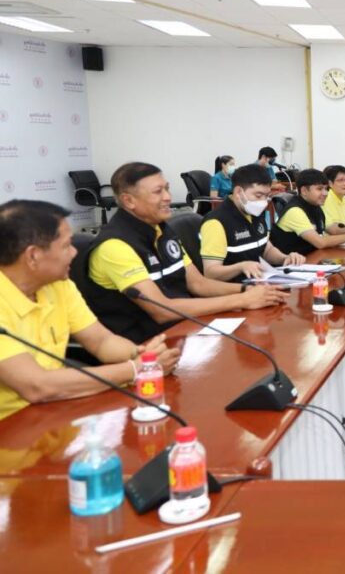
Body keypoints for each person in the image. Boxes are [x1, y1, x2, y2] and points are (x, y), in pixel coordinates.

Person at [0, 200, 180, 421]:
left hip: (55, 412)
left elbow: (102, 341)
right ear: (33, 256)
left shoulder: (58, 285)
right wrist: (135, 369)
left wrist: (144, 356)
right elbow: (37, 386)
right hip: (11, 426)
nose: (74, 252)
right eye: (66, 246)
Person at [81, 162, 288, 343]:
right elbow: (162, 310)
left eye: (167, 189)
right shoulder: (114, 246)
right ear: (128, 201)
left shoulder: (162, 231)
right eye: (158, 192)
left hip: (183, 330)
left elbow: (199, 284)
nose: (168, 197)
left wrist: (248, 291)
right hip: (144, 346)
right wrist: (242, 300)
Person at [199, 164, 307, 282]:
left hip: (258, 282)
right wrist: (241, 267)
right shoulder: (216, 222)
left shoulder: (255, 212)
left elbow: (266, 249)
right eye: (258, 195)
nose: (263, 202)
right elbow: (210, 273)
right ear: (238, 192)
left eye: (266, 196)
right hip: (233, 288)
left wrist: (285, 258)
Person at [271, 169, 345, 254]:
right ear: (304, 191)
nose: (325, 193)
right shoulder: (295, 211)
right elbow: (320, 242)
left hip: (311, 257)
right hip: (292, 263)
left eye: (326, 189)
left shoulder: (316, 206)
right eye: (319, 189)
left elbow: (327, 231)